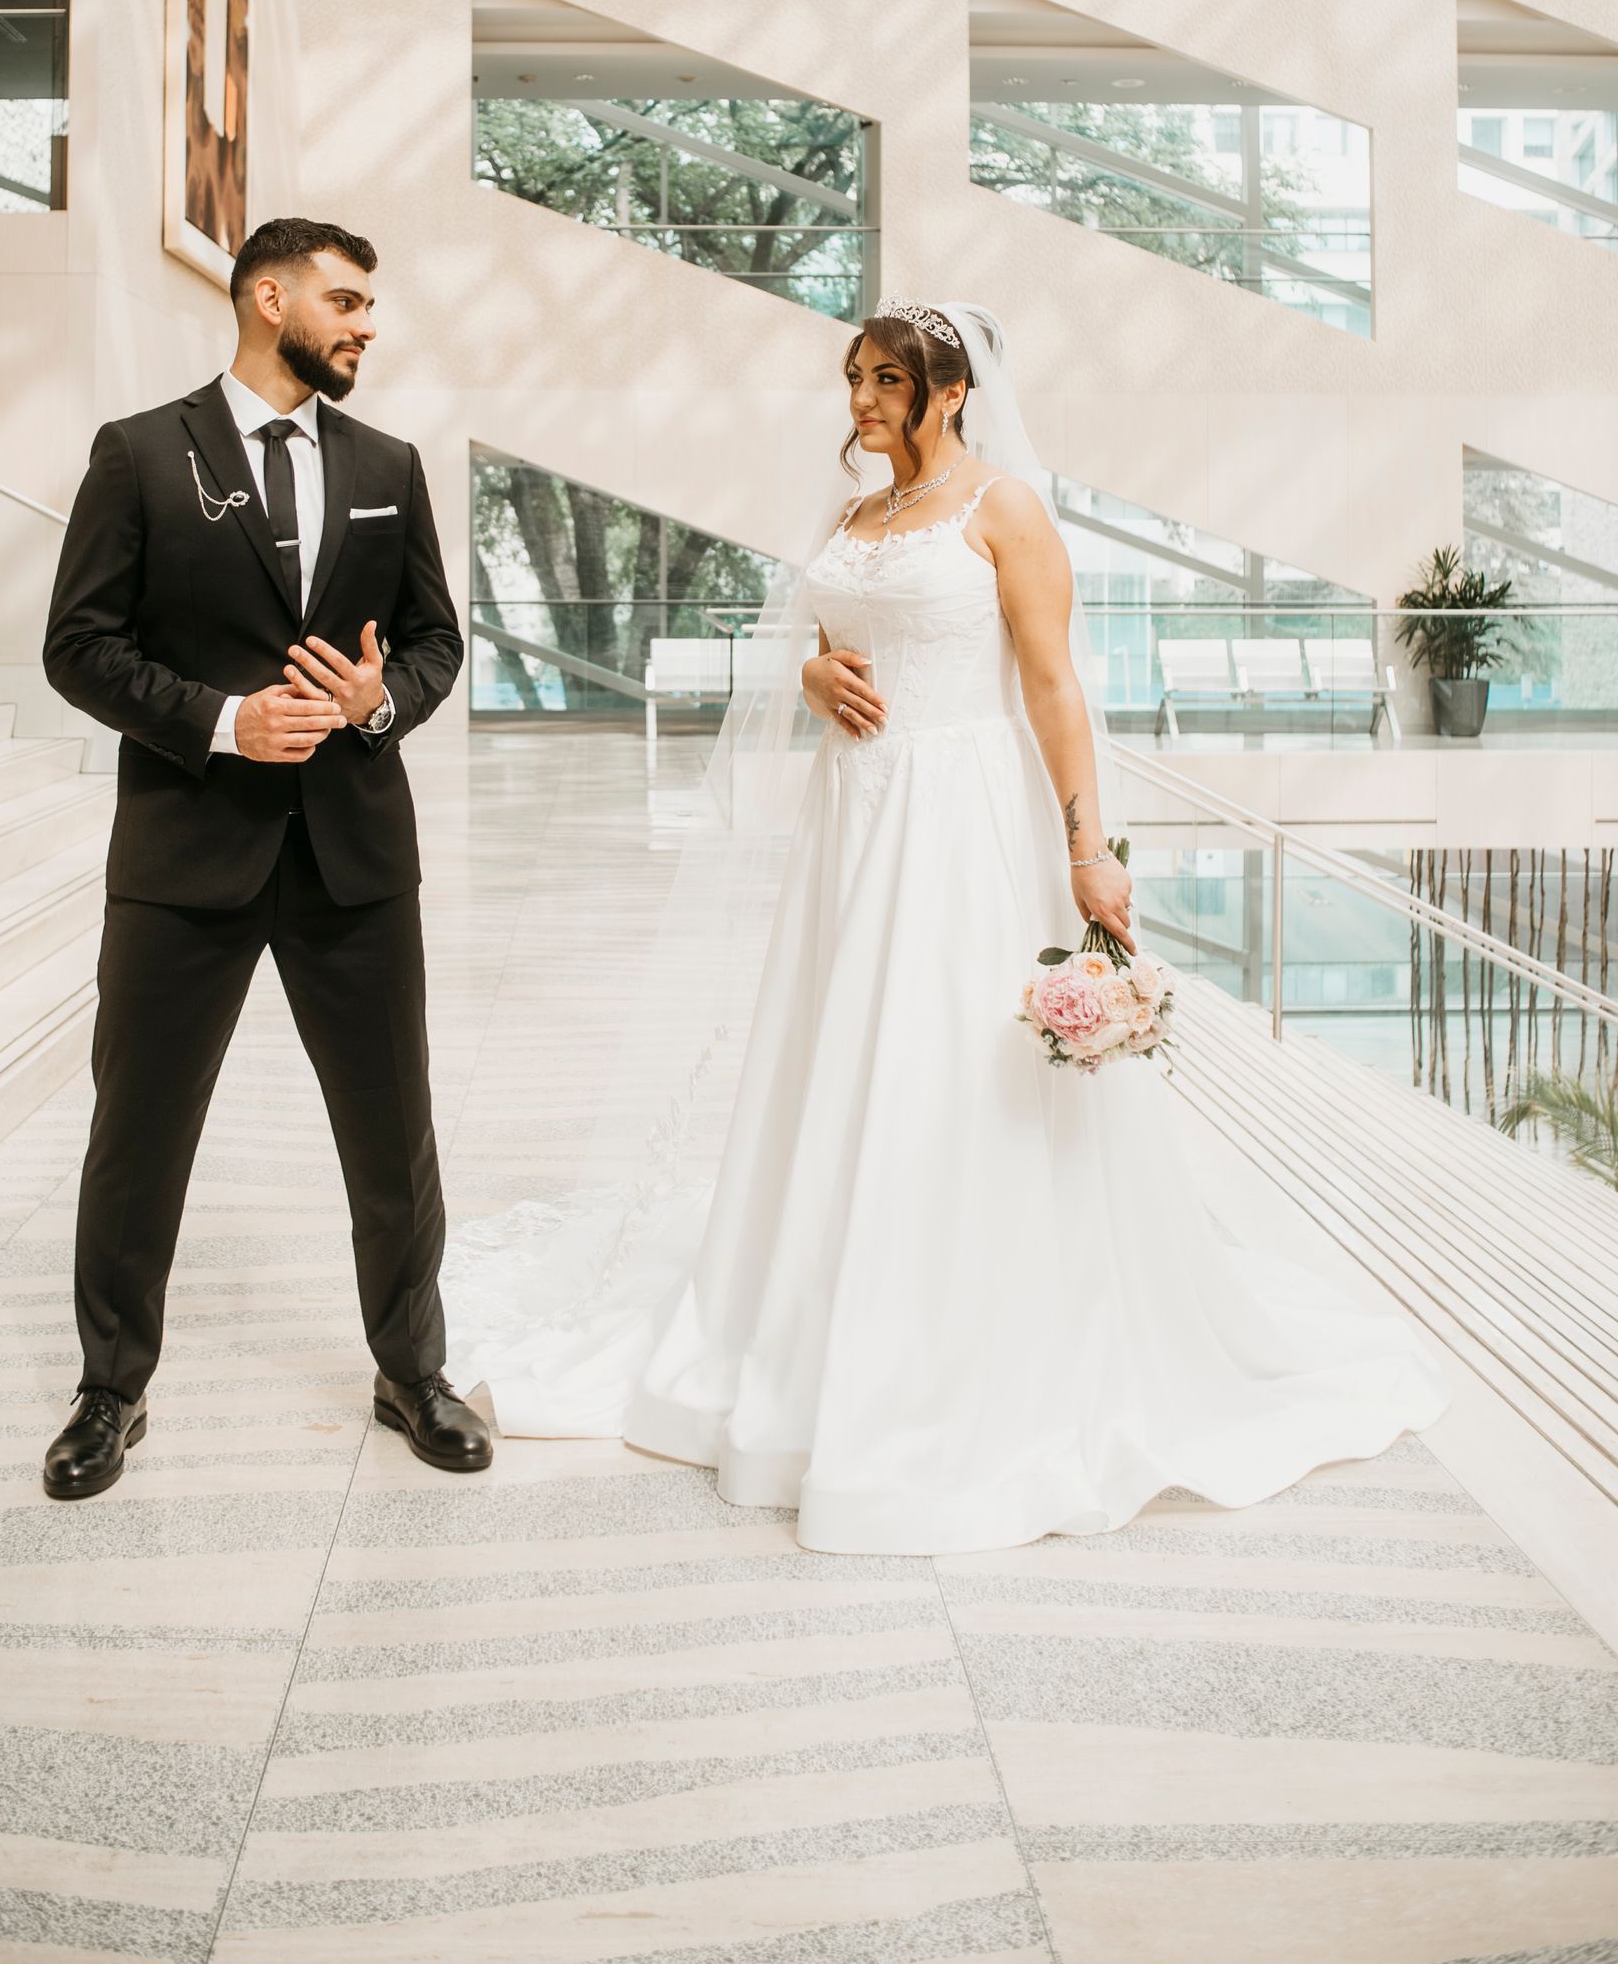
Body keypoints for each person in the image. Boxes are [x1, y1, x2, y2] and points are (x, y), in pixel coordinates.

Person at [447, 296, 1447, 1553]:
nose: (861, 403)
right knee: (842, 1050)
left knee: (945, 1060)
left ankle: (950, 1324)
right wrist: (812, 672)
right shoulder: (858, 513)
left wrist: (1088, 845)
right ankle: (814, 1296)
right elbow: (829, 633)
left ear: (953, 391)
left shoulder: (1004, 510)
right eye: (854, 378)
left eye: (884, 382)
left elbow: (1051, 681)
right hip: (854, 818)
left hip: (966, 815)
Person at [37, 216, 487, 1498]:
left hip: (354, 857)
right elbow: (79, 646)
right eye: (345, 301)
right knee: (138, 1129)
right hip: (188, 854)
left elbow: (434, 641)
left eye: (369, 307)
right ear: (266, 296)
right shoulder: (137, 454)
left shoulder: (390, 461)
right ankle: (109, 1390)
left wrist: (375, 701)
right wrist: (225, 721)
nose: (365, 324)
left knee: (392, 1125)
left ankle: (414, 1369)